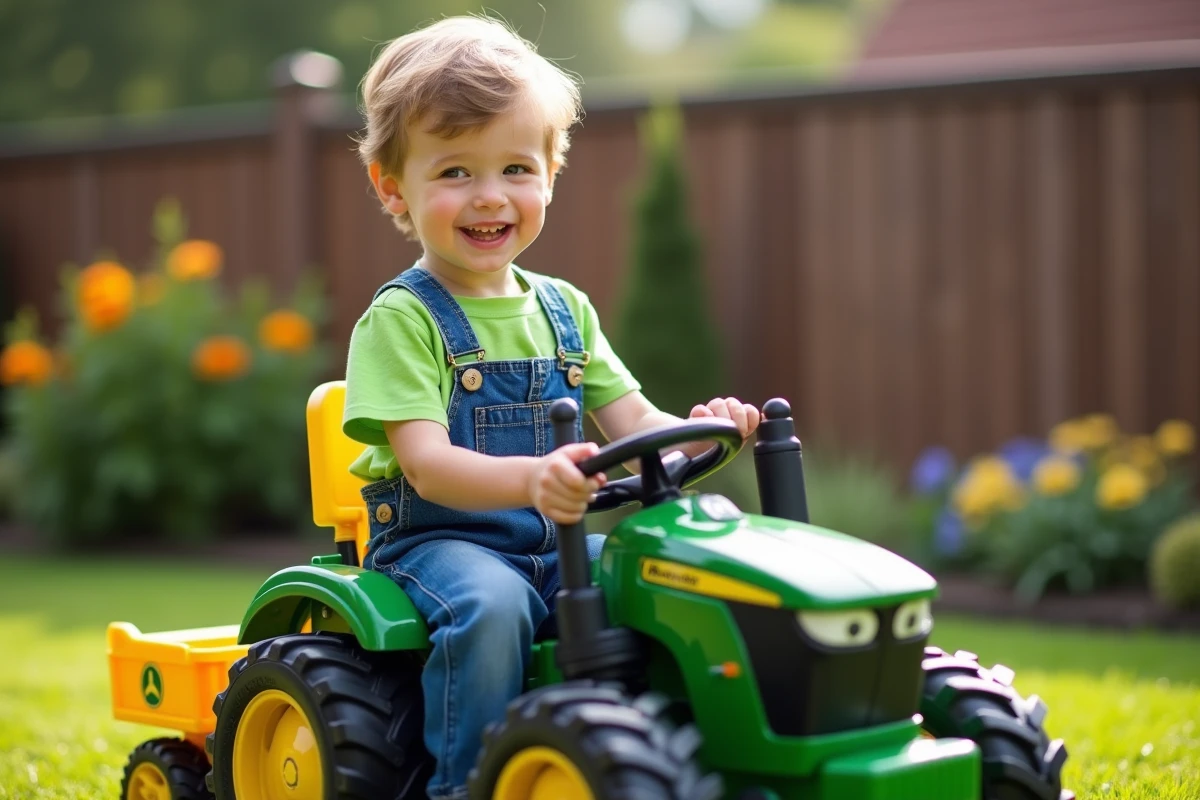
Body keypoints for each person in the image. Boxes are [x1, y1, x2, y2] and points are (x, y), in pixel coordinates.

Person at [343, 15, 760, 800]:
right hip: (439, 550)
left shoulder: (564, 309)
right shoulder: (403, 319)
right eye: (456, 172)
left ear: (552, 171)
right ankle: (470, 785)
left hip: (554, 545)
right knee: (493, 607)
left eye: (515, 168)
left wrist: (712, 428)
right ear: (393, 186)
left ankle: (664, 758)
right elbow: (428, 468)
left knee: (674, 575)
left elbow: (637, 426)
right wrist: (536, 480)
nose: (490, 196)